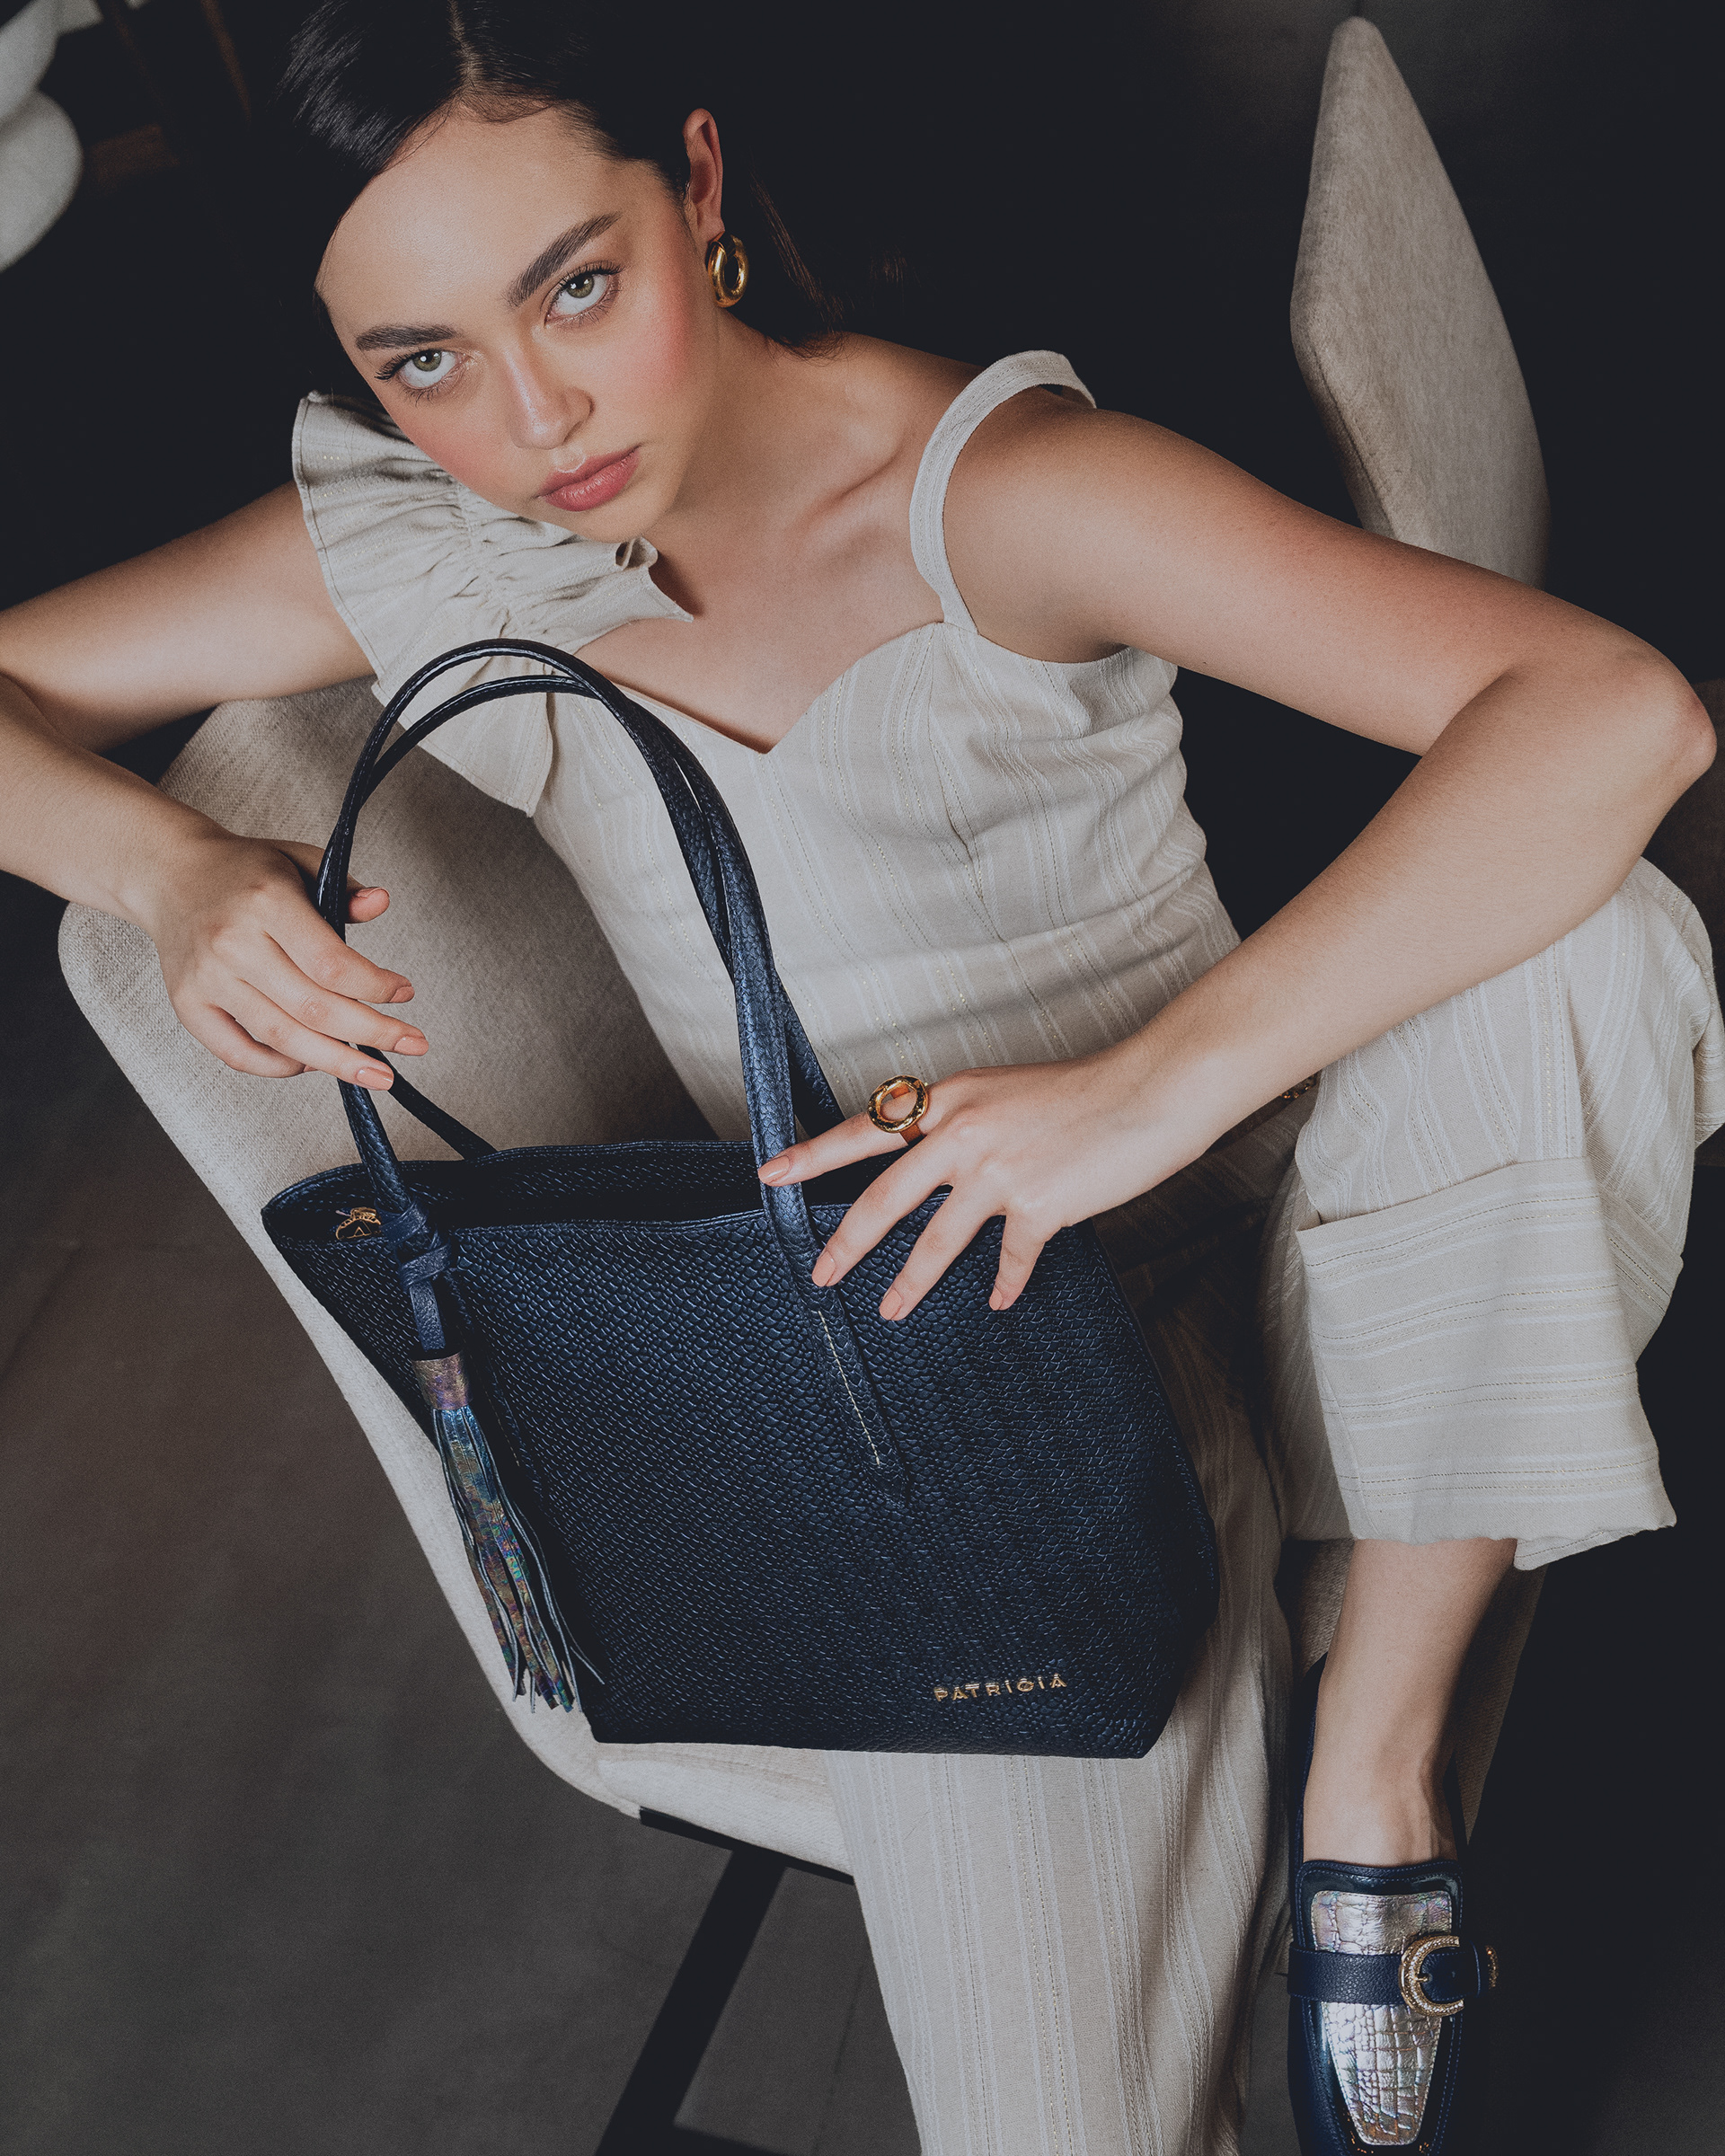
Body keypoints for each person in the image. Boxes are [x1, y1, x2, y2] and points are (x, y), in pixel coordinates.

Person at [0, 3, 1718, 2147]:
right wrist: (164, 871)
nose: (534, 416)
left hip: (1293, 1228)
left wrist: (1142, 1094)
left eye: (577, 286)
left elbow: (1618, 714)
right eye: (423, 361)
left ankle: (1375, 1770)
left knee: (1589, 948)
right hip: (919, 1372)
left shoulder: (1000, 492)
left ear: (699, 191)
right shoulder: (439, 550)